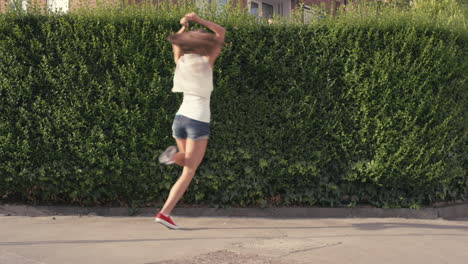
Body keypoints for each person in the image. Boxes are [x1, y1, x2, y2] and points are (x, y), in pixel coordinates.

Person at [155, 12, 225, 230]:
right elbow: (221, 32)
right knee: (189, 170)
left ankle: (173, 159)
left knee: (187, 163)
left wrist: (184, 27)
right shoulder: (206, 61)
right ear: (203, 46)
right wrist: (199, 20)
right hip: (197, 120)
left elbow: (175, 44)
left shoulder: (181, 61)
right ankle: (165, 213)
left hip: (180, 118)